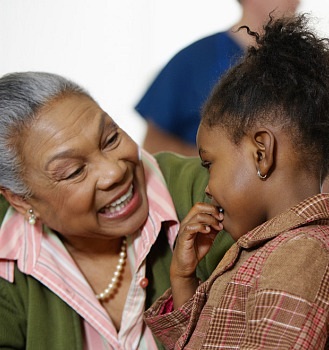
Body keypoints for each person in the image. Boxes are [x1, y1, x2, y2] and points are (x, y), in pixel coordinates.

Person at [0, 72, 233, 349]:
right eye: (74, 171)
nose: (115, 171)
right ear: (21, 201)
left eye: (110, 139)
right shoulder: (8, 270)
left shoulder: (208, 191)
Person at [144, 14, 329, 349]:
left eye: (209, 163)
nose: (207, 186)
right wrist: (184, 281)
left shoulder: (301, 255)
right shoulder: (274, 248)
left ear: (262, 153)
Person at [135, 0, 300, 156]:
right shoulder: (195, 60)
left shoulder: (298, 65)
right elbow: (152, 146)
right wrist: (215, 164)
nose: (297, 1)